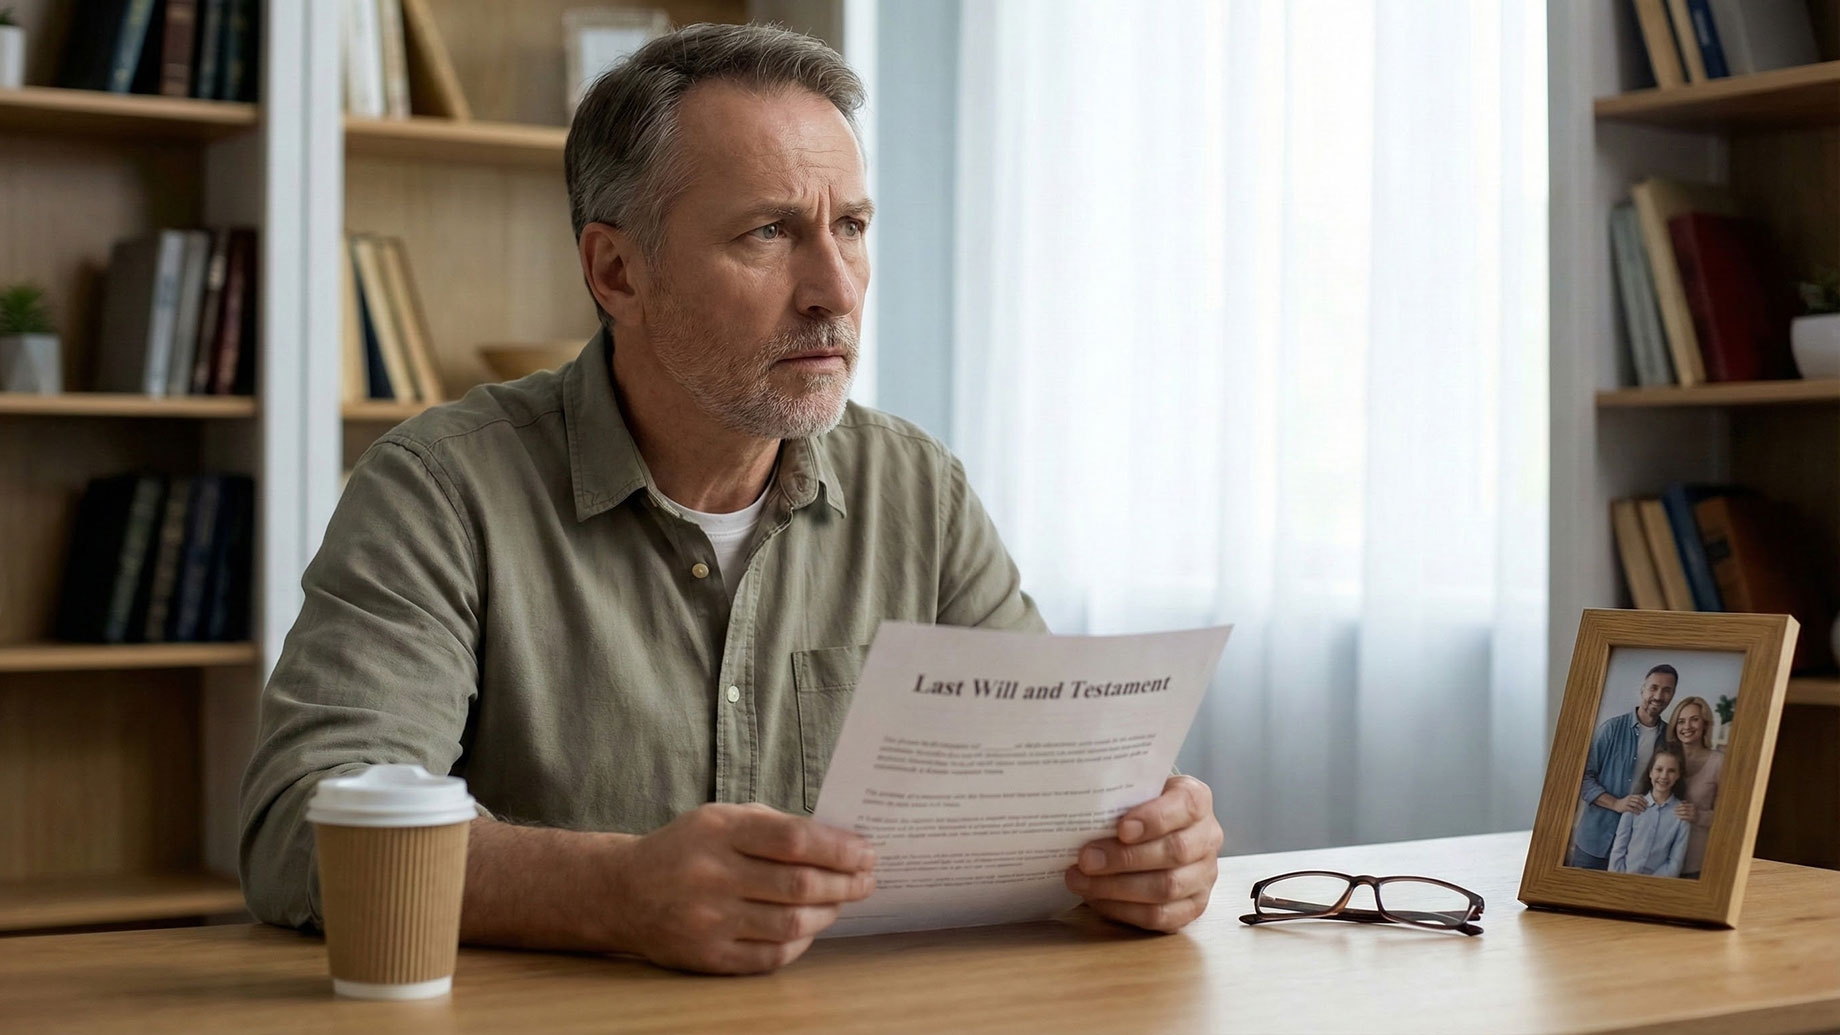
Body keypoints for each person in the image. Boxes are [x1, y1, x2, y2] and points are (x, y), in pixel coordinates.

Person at [237, 23, 1224, 975]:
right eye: (769, 232)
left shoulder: (918, 490)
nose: (833, 289)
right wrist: (613, 893)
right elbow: (303, 825)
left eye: (850, 227)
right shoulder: (441, 489)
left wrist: (1140, 848)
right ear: (615, 271)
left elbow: (1051, 792)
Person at [1570, 664, 1677, 870]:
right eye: (1653, 688)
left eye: (1666, 690)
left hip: (1637, 846)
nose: (1658, 695)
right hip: (1595, 841)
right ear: (1642, 690)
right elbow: (1582, 777)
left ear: (1672, 695)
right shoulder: (1611, 729)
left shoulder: (1669, 739)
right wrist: (1616, 803)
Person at [1609, 745, 1690, 877]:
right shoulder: (1633, 805)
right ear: (1650, 772)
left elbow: (1675, 862)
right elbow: (1618, 850)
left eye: (1671, 771)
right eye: (1659, 769)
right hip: (1622, 879)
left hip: (1655, 886)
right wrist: (1618, 879)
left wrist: (1648, 885)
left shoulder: (1681, 814)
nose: (1664, 776)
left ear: (1678, 775)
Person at [1666, 695, 1723, 879]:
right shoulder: (1664, 760)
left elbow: (1730, 819)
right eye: (1681, 721)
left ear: (1705, 723)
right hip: (1658, 861)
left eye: (1694, 720)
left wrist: (1698, 816)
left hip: (1695, 864)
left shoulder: (1719, 762)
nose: (1687, 727)